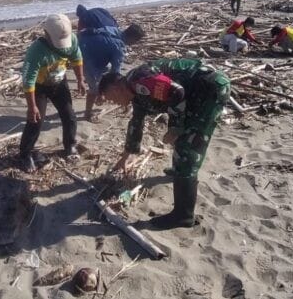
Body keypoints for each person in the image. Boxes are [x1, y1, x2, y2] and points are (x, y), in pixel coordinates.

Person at [98, 59, 231, 229]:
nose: (113, 102)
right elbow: (136, 124)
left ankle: (183, 216)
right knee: (182, 143)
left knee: (187, 148)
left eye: (110, 97)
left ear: (116, 87)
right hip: (196, 94)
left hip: (209, 89)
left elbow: (177, 92)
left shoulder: (139, 80)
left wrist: (175, 128)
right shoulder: (136, 94)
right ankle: (181, 172)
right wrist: (125, 158)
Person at [18, 14, 86, 172]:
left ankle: (69, 146)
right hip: (39, 86)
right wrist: (31, 106)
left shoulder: (72, 40)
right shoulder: (36, 51)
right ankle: (25, 154)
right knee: (36, 121)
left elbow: (77, 58)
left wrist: (80, 79)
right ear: (46, 33)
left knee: (69, 116)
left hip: (59, 82)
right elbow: (28, 80)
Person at [75, 4, 145, 121]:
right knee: (94, 89)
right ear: (133, 39)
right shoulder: (119, 46)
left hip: (86, 43)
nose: (134, 44)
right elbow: (115, 74)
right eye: (135, 42)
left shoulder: (114, 30)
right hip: (86, 55)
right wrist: (102, 92)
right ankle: (87, 114)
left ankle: (102, 97)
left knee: (100, 81)